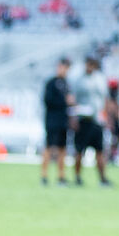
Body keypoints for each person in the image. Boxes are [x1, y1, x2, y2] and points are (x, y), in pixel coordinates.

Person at [70, 57, 113, 187]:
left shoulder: (100, 79)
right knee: (79, 151)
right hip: (83, 119)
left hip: (97, 120)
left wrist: (107, 118)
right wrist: (73, 118)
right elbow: (73, 100)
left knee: (100, 151)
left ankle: (103, 178)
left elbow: (105, 99)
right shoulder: (78, 80)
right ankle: (77, 177)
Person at [40, 58, 73, 186]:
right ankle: (44, 175)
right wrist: (65, 102)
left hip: (63, 121)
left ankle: (61, 176)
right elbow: (48, 101)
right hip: (52, 120)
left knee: (62, 148)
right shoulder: (51, 83)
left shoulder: (66, 84)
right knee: (49, 147)